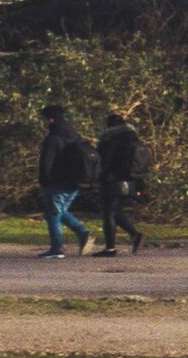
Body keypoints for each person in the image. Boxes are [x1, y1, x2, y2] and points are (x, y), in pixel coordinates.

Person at [35, 105, 94, 257]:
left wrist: (43, 180)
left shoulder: (53, 139)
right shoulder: (75, 137)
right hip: (74, 182)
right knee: (59, 212)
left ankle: (57, 248)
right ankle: (83, 233)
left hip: (56, 182)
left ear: (51, 119)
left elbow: (46, 162)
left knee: (53, 214)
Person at [91, 108, 152, 256]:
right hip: (131, 180)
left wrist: (96, 178)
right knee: (114, 211)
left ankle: (110, 248)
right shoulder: (133, 139)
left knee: (108, 213)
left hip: (113, 180)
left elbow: (104, 161)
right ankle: (135, 235)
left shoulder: (109, 139)